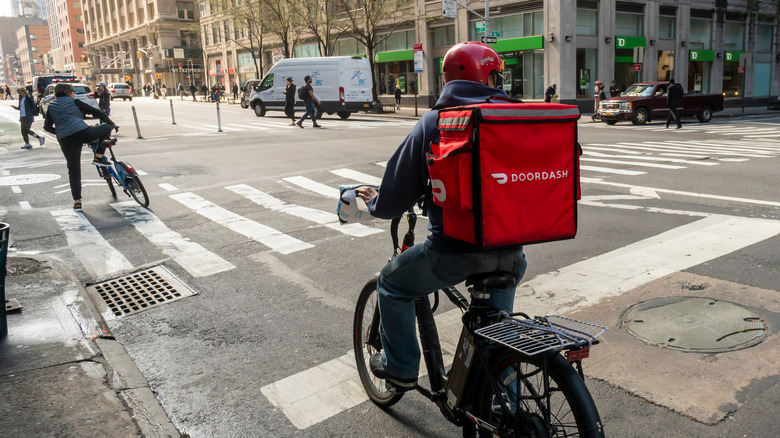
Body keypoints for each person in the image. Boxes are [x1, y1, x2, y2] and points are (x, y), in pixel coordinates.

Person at [354, 42, 527, 390]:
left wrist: (374, 202)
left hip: (454, 254)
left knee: (391, 284)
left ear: (449, 77)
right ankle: (509, 406)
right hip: (512, 254)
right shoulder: (518, 118)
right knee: (497, 338)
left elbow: (392, 198)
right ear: (490, 76)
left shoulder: (437, 122)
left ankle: (400, 366)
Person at [43, 83, 116, 212]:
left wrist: (61, 132)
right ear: (69, 93)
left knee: (74, 170)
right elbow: (96, 112)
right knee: (105, 128)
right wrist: (112, 124)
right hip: (82, 132)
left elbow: (47, 127)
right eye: (73, 92)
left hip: (65, 140)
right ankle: (98, 157)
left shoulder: (51, 106)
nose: (74, 94)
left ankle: (77, 202)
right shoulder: (74, 102)